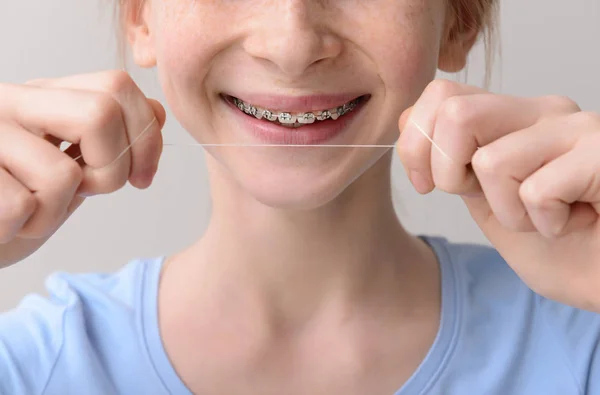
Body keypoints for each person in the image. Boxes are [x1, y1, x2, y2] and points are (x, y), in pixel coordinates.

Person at [1, 0, 599, 394]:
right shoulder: (33, 367)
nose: (291, 46)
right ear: (141, 18)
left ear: (459, 20)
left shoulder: (583, 338)